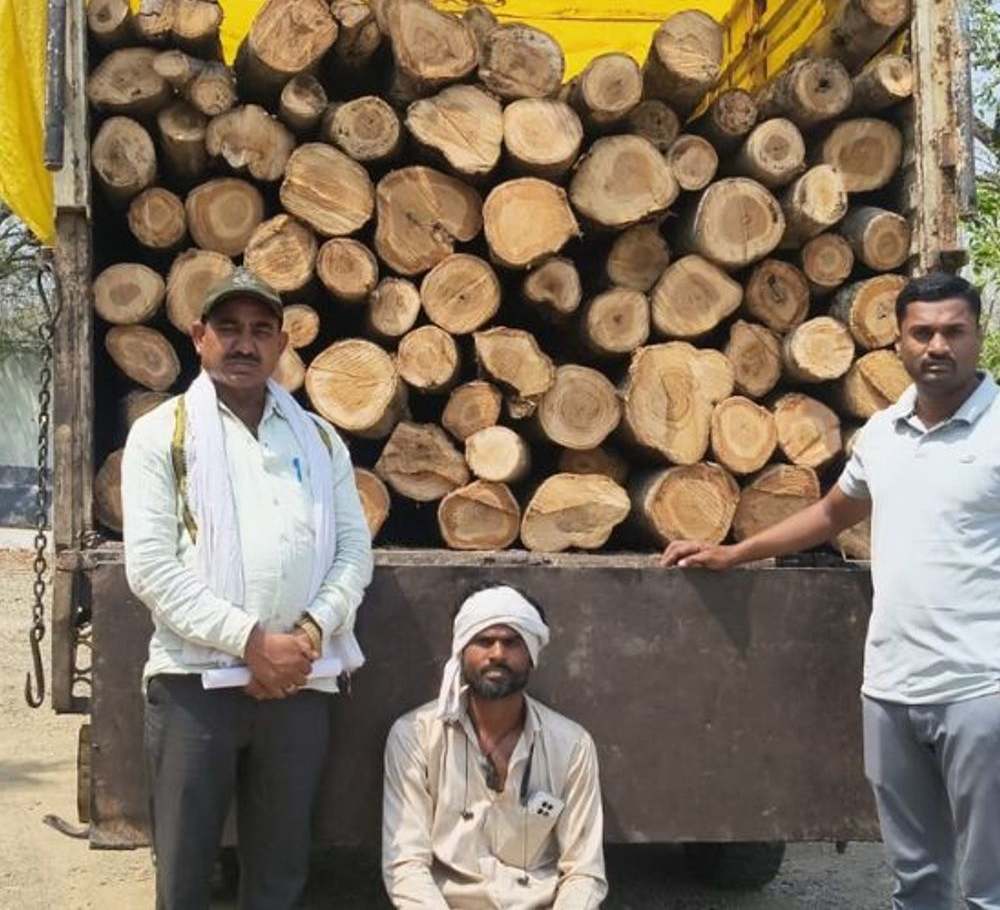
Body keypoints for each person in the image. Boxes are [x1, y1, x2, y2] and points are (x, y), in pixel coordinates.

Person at [663, 272, 1000, 909]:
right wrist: (735, 551)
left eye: (954, 331)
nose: (937, 346)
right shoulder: (883, 432)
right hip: (891, 690)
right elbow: (830, 514)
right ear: (898, 342)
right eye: (922, 333)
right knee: (916, 881)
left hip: (981, 691)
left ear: (977, 337)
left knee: (991, 886)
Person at [121, 267, 373, 910]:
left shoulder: (319, 438)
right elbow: (151, 568)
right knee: (184, 876)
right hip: (194, 683)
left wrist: (307, 636)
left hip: (299, 683)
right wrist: (251, 643)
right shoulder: (161, 434)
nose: (244, 343)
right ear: (199, 337)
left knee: (280, 873)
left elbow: (353, 552)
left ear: (282, 345)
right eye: (228, 328)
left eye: (261, 330)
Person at [382, 581, 607, 908]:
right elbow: (406, 864)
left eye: (512, 642)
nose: (498, 654)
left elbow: (584, 873)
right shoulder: (415, 735)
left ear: (532, 655)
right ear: (461, 650)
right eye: (484, 641)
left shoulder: (572, 745)